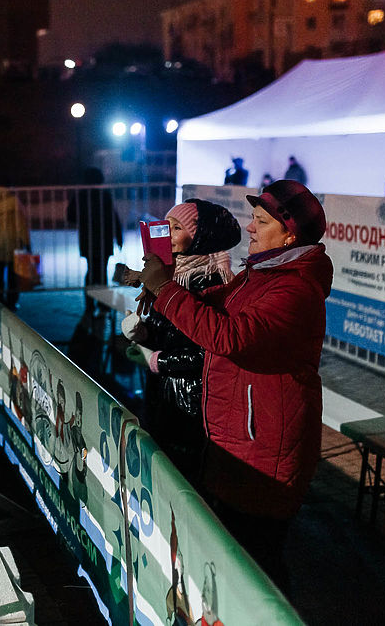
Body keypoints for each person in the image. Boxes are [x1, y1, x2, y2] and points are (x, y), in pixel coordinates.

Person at [137, 179, 331, 591]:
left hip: (264, 453)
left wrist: (165, 291)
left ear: (290, 232)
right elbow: (215, 303)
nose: (250, 228)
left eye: (260, 221)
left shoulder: (294, 288)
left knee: (257, 572)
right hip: (238, 442)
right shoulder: (261, 273)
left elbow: (228, 337)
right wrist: (162, 284)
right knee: (232, 562)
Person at [119, 200, 242, 480]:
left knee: (181, 476)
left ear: (201, 236)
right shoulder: (172, 272)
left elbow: (206, 351)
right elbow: (170, 329)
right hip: (164, 392)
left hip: (189, 402)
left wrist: (156, 360)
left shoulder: (212, 281)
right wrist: (143, 332)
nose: (169, 234)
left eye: (177, 228)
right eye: (167, 226)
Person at [66, 167, 123, 309]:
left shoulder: (80, 196)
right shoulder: (104, 195)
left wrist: (84, 218)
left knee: (91, 270)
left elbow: (70, 216)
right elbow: (113, 217)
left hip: (88, 239)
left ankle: (90, 304)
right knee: (102, 271)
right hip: (104, 239)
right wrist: (119, 236)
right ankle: (102, 304)